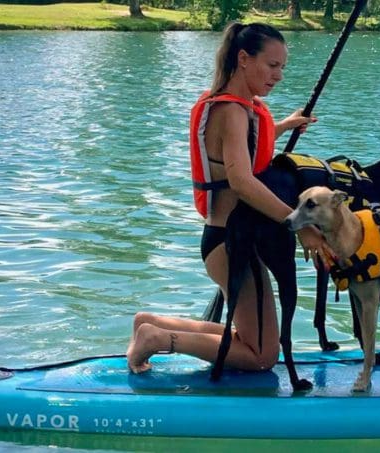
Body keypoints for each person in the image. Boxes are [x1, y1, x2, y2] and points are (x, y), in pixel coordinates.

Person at [127, 22, 333, 374]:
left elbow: (243, 147)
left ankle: (152, 323)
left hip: (231, 240)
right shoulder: (232, 112)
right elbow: (241, 182)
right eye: (272, 65)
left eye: (282, 67)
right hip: (230, 244)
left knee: (253, 340)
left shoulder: (237, 107)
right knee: (262, 356)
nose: (279, 75)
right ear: (244, 59)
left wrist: (284, 125)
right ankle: (159, 339)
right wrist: (298, 225)